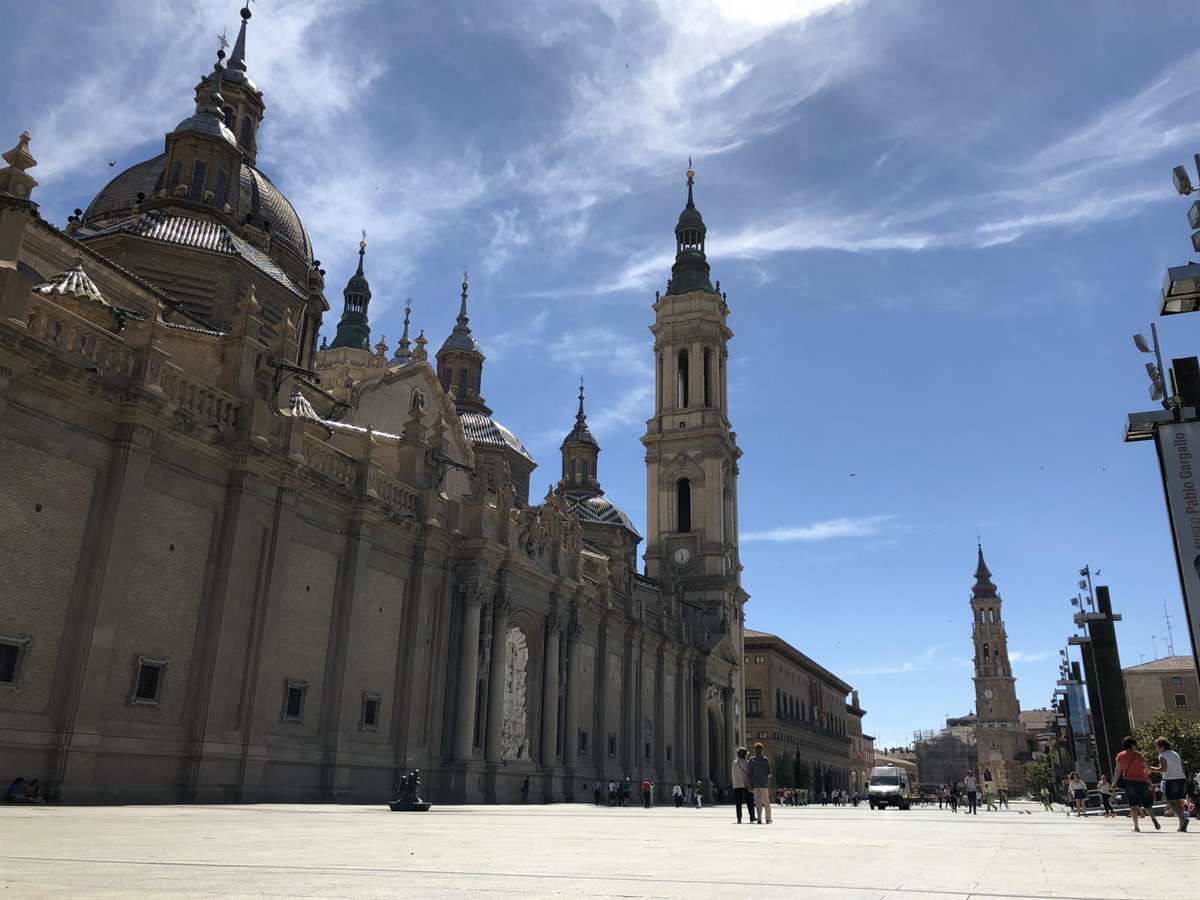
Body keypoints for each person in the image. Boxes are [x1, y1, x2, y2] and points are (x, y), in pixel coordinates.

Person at [1115, 736, 1160, 833]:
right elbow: (1148, 768)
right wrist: (1154, 770)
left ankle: (1136, 827)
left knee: (1133, 805)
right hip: (1142, 782)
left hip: (1129, 782)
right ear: (1132, 745)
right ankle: (1153, 818)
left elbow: (1118, 771)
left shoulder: (1120, 756)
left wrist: (1114, 783)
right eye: (1135, 745)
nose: (1136, 747)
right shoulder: (1139, 755)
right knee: (1147, 804)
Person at [1150, 737, 1188, 832]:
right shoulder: (1175, 754)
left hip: (1171, 780)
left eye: (1157, 747)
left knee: (1170, 801)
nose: (1157, 749)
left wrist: (1152, 769)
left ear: (1162, 747)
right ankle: (1181, 823)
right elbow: (1182, 767)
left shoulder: (1163, 755)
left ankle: (1182, 817)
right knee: (1178, 801)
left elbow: (1163, 769)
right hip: (1181, 778)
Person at [731, 746, 757, 824]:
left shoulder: (734, 763)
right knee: (750, 801)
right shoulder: (748, 763)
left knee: (738, 803)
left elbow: (733, 774)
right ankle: (752, 816)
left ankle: (739, 818)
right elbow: (750, 773)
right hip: (746, 784)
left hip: (737, 785)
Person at [748, 742, 773, 825]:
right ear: (762, 750)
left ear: (755, 750)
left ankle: (759, 818)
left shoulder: (752, 760)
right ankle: (768, 818)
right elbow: (770, 772)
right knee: (766, 802)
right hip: (764, 784)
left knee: (757, 802)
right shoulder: (765, 760)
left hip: (755, 784)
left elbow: (750, 772)